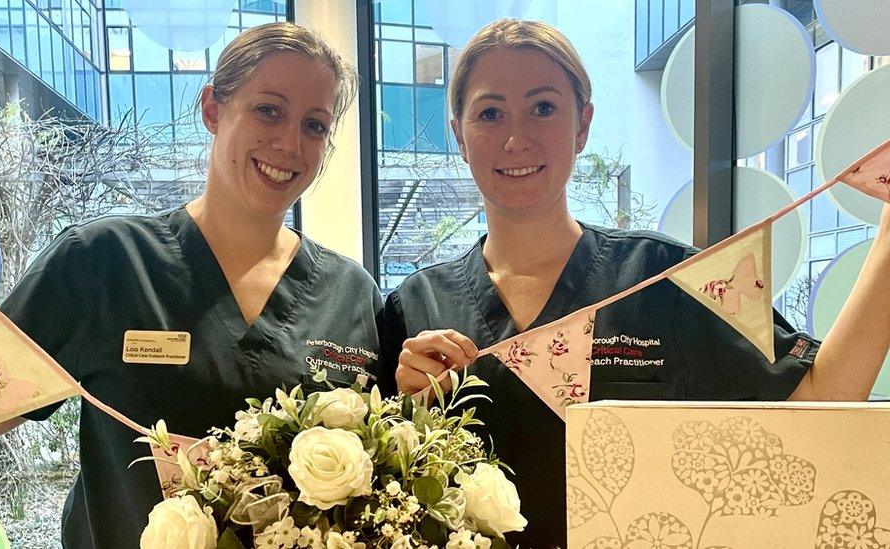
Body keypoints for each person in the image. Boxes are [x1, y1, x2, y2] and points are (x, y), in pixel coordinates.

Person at [379, 18, 890, 546]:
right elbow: (381, 500)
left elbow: (820, 396)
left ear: (582, 126)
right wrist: (402, 419)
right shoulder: (415, 308)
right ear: (459, 135)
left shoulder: (664, 282)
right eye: (490, 113)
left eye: (544, 107)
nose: (517, 137)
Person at [0, 22, 385, 548]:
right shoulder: (102, 265)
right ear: (212, 108)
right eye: (268, 110)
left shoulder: (350, 293)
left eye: (315, 125)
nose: (289, 143)